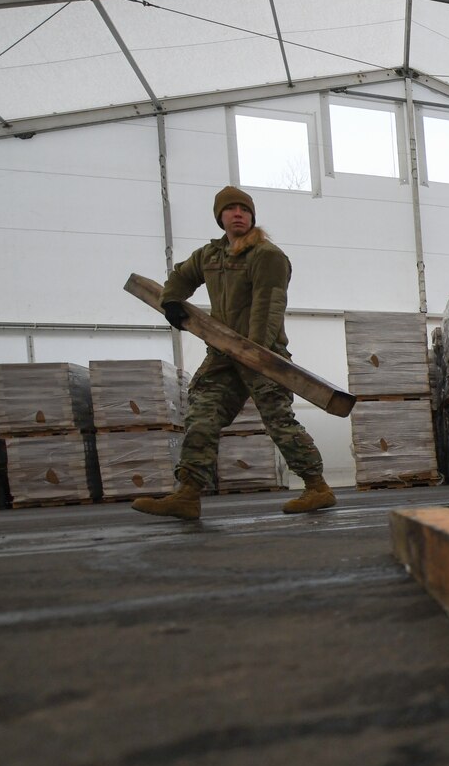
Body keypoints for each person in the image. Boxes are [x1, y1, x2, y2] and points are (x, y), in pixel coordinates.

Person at [132, 185, 335, 520]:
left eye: (244, 209)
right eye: (230, 209)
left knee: (278, 420)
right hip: (223, 353)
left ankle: (317, 487)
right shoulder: (209, 256)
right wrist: (170, 300)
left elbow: (267, 309)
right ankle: (187, 495)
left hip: (263, 353)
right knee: (201, 415)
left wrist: (254, 352)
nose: (238, 213)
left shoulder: (267, 256)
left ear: (252, 216)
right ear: (220, 218)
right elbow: (182, 276)